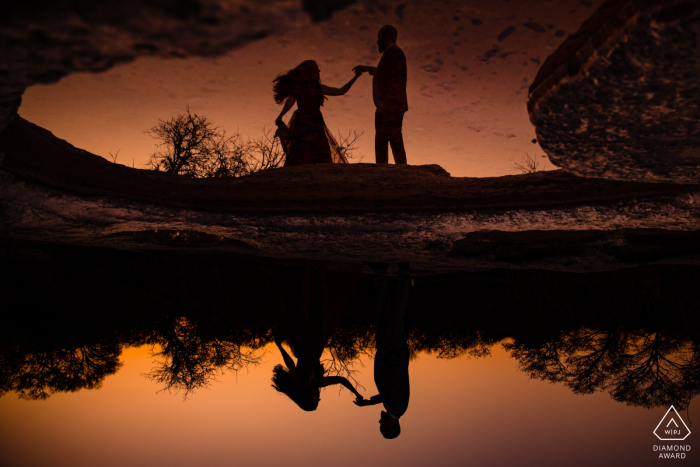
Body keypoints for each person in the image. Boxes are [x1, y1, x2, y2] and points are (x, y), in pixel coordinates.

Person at [271, 261, 365, 411]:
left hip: (303, 341)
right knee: (324, 304)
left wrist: (280, 347)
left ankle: (308, 268)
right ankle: (319, 271)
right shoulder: (319, 382)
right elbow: (341, 380)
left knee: (305, 303)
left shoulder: (300, 381)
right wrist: (356, 393)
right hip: (317, 342)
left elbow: (290, 365)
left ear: (308, 399)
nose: (319, 398)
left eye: (316, 402)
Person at [354, 262, 411, 439]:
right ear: (389, 427)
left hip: (386, 351)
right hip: (392, 350)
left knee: (382, 312)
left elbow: (385, 395)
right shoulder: (398, 407)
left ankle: (380, 272)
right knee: (396, 312)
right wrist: (391, 353)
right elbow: (398, 377)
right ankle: (404, 272)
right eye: (382, 427)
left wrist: (370, 402)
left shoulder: (393, 407)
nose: (379, 423)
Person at [274, 60, 361, 166]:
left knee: (318, 149)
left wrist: (355, 78)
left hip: (316, 122)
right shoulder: (300, 88)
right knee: (301, 150)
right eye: (316, 69)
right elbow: (290, 101)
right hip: (303, 121)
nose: (319, 71)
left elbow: (340, 91)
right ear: (310, 71)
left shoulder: (319, 88)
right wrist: (281, 115)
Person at [353, 25, 408, 165]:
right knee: (388, 138)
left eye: (379, 37)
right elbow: (386, 73)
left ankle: (393, 169)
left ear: (387, 36)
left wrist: (386, 104)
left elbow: (390, 76)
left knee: (388, 139)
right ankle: (393, 169)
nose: (377, 42)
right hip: (390, 105)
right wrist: (369, 69)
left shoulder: (394, 53)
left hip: (390, 106)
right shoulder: (393, 53)